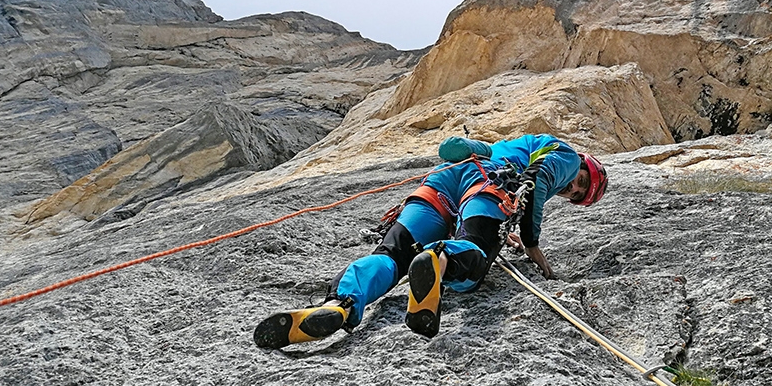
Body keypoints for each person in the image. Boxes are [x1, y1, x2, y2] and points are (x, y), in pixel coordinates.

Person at [253, 133, 608, 349]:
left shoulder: (504, 144)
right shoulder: (564, 155)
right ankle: (440, 260)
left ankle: (338, 306)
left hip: (442, 184)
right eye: (580, 182)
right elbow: (539, 180)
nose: (572, 188)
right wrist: (531, 242)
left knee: (392, 256)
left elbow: (450, 149)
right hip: (489, 184)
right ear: (583, 165)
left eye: (576, 195)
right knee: (473, 260)